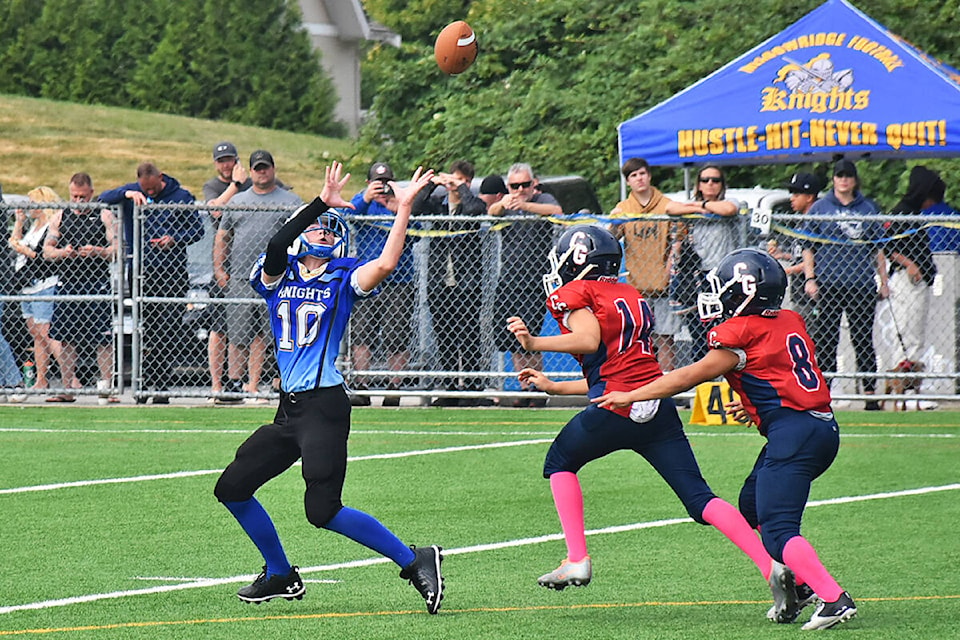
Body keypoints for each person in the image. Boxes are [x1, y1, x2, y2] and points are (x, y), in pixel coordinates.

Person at [507, 226, 800, 623]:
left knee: (560, 461)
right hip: (653, 402)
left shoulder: (577, 294)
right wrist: (555, 386)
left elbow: (589, 341)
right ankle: (771, 566)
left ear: (575, 259)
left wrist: (534, 345)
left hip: (620, 407)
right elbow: (616, 372)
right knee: (700, 500)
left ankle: (577, 558)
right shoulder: (629, 294)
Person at [213, 162, 445, 614]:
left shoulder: (342, 277)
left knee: (322, 510)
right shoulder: (277, 273)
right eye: (316, 226)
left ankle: (413, 559)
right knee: (233, 487)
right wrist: (320, 201)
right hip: (289, 410)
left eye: (329, 228)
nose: (322, 231)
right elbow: (278, 242)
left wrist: (403, 208)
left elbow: (387, 263)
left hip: (324, 405)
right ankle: (280, 573)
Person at [595, 248, 857, 630]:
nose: (716, 296)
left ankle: (833, 598)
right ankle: (800, 587)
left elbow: (689, 376)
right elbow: (779, 373)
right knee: (751, 507)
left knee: (781, 529)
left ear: (743, 293)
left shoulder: (738, 334)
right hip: (814, 427)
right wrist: (755, 406)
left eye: (723, 288)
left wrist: (632, 394)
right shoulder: (789, 320)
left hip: (794, 433)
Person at [99, 162, 203, 403]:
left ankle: (160, 385)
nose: (150, 193)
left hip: (172, 273)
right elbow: (102, 199)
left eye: (153, 188)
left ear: (161, 177)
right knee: (147, 329)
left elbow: (198, 230)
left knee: (168, 328)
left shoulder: (181, 197)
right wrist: (127, 194)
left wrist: (174, 239)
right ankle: (144, 383)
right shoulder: (133, 192)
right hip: (141, 271)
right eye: (145, 189)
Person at [215, 150, 303, 405]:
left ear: (273, 169)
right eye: (257, 168)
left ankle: (254, 385)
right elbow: (223, 236)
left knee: (266, 335)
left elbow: (300, 238)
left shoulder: (290, 201)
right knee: (238, 333)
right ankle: (233, 384)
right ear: (250, 172)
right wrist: (220, 269)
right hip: (242, 277)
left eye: (265, 167)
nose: (261, 172)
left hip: (277, 278)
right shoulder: (238, 201)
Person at [800, 159, 888, 410]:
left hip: (860, 283)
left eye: (848, 175)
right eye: (840, 175)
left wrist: (883, 281)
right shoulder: (820, 207)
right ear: (834, 179)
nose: (844, 180)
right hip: (829, 282)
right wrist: (810, 278)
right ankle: (823, 394)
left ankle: (870, 394)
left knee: (862, 339)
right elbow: (809, 247)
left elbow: (878, 249)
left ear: (854, 179)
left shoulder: (869, 207)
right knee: (827, 339)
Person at [611, 158, 703, 372]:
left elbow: (679, 239)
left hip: (663, 286)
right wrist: (614, 223)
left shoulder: (666, 205)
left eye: (642, 173)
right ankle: (641, 384)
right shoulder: (624, 208)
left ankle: (665, 387)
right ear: (628, 181)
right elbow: (613, 238)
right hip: (637, 287)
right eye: (633, 175)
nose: (639, 178)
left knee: (665, 339)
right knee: (637, 341)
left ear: (649, 175)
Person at [412, 160, 490, 406]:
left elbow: (476, 210)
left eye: (462, 181)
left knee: (468, 335)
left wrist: (462, 188)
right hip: (439, 283)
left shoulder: (471, 205)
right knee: (444, 335)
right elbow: (415, 208)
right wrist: (431, 185)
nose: (455, 186)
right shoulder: (437, 206)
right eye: (454, 181)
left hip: (467, 284)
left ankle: (473, 388)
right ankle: (448, 388)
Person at [488, 163, 562, 407]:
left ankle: (538, 388)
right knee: (512, 340)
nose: (520, 190)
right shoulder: (507, 204)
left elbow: (557, 211)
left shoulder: (542, 199)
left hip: (534, 281)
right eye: (514, 186)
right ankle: (524, 387)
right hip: (509, 279)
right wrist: (503, 203)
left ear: (534, 184)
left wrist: (526, 205)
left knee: (529, 338)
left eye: (524, 185)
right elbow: (492, 212)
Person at [346, 161, 418, 407]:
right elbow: (346, 217)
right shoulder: (361, 202)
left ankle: (394, 386)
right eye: (378, 183)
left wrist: (399, 209)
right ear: (368, 183)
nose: (383, 187)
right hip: (367, 277)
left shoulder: (401, 202)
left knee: (396, 334)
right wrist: (366, 198)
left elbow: (419, 231)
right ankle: (361, 384)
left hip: (400, 280)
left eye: (387, 182)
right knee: (362, 332)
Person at [43, 173, 119, 404]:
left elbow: (116, 250)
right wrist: (62, 253)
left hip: (97, 284)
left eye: (83, 197)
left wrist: (97, 251)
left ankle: (107, 388)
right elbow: (47, 250)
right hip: (68, 284)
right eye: (74, 196)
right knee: (66, 339)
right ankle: (67, 387)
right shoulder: (61, 217)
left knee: (103, 339)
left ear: (91, 193)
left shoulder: (104, 215)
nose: (78, 201)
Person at [670, 164, 741, 364]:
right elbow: (670, 208)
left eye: (715, 180)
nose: (710, 184)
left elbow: (728, 209)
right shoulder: (691, 205)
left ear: (722, 185)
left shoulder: (729, 201)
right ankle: (703, 382)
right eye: (705, 180)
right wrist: (697, 205)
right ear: (699, 184)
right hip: (698, 277)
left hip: (724, 276)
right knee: (700, 333)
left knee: (725, 332)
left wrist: (700, 207)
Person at [201, 141, 249, 402]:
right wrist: (236, 186)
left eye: (230, 159)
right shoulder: (215, 186)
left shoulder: (252, 184)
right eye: (221, 161)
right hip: (224, 268)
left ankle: (239, 382)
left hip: (247, 267)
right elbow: (215, 209)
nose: (226, 165)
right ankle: (217, 385)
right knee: (219, 328)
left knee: (247, 330)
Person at [881, 166, 940, 372]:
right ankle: (905, 381)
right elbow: (887, 245)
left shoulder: (915, 213)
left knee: (915, 331)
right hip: (907, 281)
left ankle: (911, 383)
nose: (931, 204)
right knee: (908, 332)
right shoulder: (902, 212)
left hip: (920, 281)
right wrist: (910, 264)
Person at [8, 186, 61, 399]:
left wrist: (21, 248)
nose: (29, 207)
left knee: (46, 333)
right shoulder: (33, 226)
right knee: (36, 335)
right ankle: (41, 379)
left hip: (43, 283)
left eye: (32, 203)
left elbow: (39, 255)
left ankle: (70, 377)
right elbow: (15, 240)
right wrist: (19, 223)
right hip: (27, 286)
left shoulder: (50, 226)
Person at [766, 172, 824, 319]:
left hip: (812, 292)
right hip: (799, 292)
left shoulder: (818, 223)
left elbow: (815, 260)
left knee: (811, 334)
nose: (792, 198)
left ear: (809, 197)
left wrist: (785, 271)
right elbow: (800, 255)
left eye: (796, 194)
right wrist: (783, 255)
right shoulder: (800, 221)